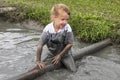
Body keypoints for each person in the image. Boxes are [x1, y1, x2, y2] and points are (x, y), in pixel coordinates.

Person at [36, 3, 76, 72]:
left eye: (67, 20)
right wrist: (38, 61)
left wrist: (60, 56)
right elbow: (40, 45)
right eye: (62, 19)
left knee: (73, 70)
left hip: (65, 54)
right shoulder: (48, 29)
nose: (65, 22)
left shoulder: (67, 28)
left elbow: (70, 44)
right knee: (42, 66)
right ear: (54, 17)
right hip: (52, 53)